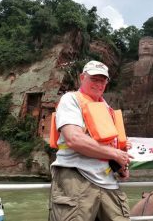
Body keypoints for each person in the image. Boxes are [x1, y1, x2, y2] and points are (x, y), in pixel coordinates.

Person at [48, 60, 133, 221]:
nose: (99, 84)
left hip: (109, 183)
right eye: (94, 79)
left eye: (103, 80)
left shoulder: (107, 109)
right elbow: (74, 139)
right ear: (82, 77)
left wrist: (121, 165)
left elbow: (111, 146)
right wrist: (115, 153)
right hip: (76, 178)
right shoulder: (71, 99)